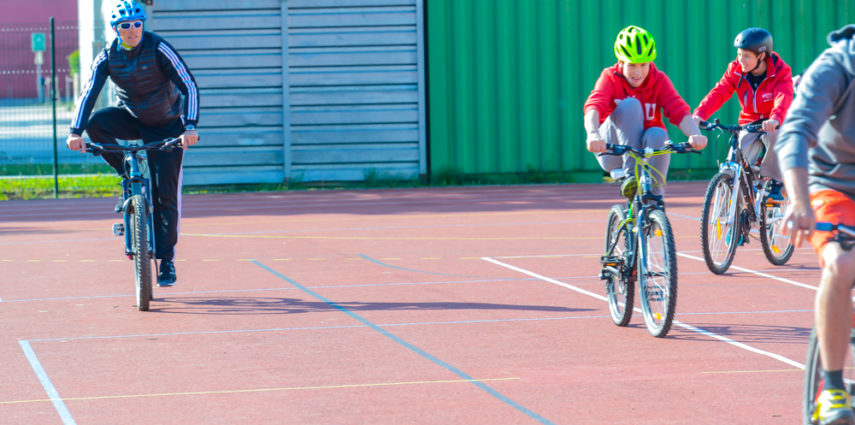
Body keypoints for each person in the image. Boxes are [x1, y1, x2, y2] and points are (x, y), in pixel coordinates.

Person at [66, 0, 200, 287]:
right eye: (125, 26)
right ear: (116, 29)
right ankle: (127, 172)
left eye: (137, 24)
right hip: (132, 118)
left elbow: (189, 84)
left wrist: (189, 126)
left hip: (167, 126)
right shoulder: (107, 57)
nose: (132, 30)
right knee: (96, 123)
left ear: (143, 25)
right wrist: (75, 131)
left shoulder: (158, 47)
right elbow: (89, 93)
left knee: (166, 197)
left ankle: (166, 262)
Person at [776, 24, 855, 425]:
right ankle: (834, 389)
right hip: (834, 187)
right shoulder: (836, 67)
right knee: (842, 265)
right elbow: (795, 134)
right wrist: (799, 202)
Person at [584, 25, 707, 203]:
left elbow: (678, 109)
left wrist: (695, 134)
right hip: (612, 151)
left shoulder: (659, 80)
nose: (638, 72)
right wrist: (593, 134)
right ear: (621, 61)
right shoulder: (610, 77)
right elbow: (594, 106)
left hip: (644, 150)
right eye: (631, 64)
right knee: (631, 105)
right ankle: (630, 178)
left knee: (658, 133)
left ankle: (654, 200)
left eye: (643, 65)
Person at [693, 27, 793, 202]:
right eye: (739, 54)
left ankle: (774, 183)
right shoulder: (735, 69)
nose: (741, 60)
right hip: (749, 122)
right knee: (734, 166)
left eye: (746, 56)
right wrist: (700, 114)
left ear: (761, 56)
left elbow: (782, 96)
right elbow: (719, 92)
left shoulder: (780, 70)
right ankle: (739, 213)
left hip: (774, 121)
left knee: (775, 136)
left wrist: (775, 118)